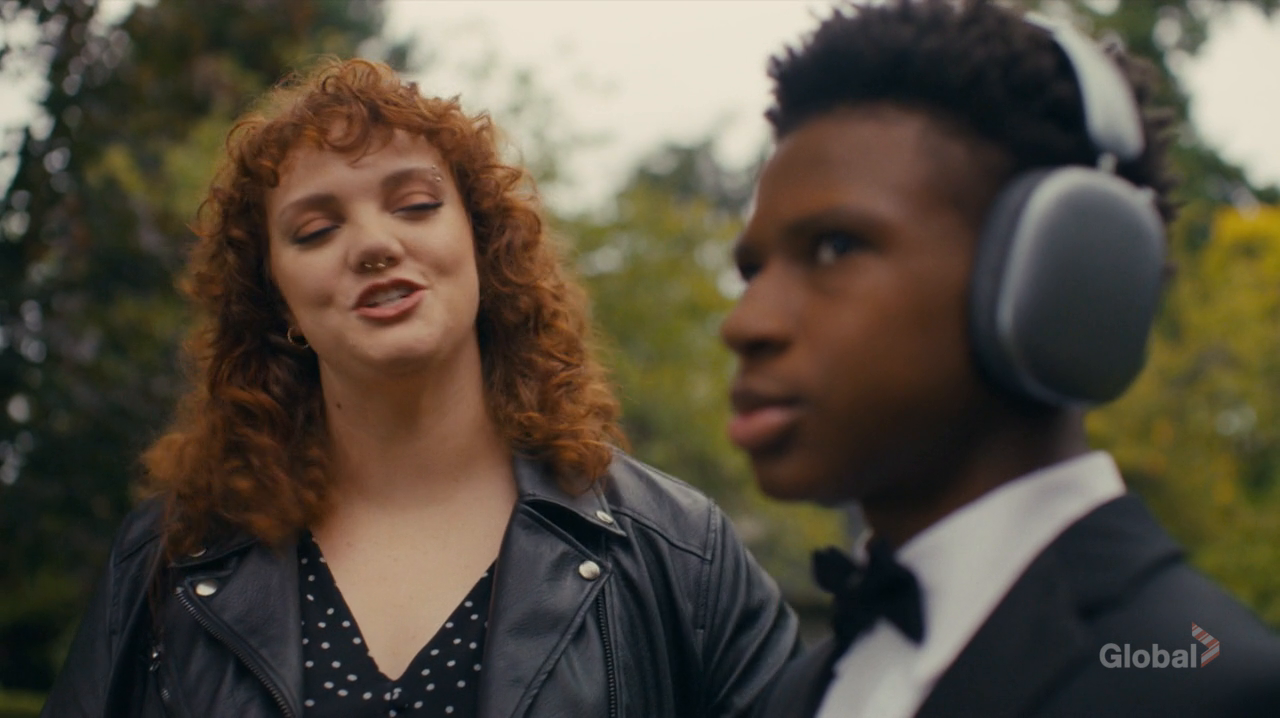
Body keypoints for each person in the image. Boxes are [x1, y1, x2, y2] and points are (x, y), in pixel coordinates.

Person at [41, 58, 798, 718]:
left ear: (483, 245)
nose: (375, 244)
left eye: (415, 205)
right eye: (315, 230)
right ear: (277, 302)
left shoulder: (680, 553)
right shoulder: (168, 559)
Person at [720, 2, 1280, 717]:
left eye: (836, 247)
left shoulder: (1217, 690)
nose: (746, 323)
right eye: (753, 271)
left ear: (1058, 276)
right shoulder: (796, 694)